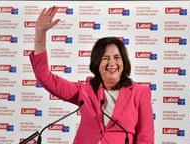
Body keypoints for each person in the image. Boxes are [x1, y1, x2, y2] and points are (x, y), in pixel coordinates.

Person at [30, 6, 154, 144]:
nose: (112, 63)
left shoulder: (140, 93)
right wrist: (40, 34)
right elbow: (45, 78)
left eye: (117, 57)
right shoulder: (85, 91)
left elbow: (146, 138)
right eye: (105, 58)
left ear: (124, 61)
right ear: (97, 63)